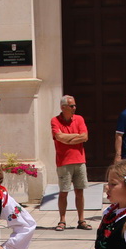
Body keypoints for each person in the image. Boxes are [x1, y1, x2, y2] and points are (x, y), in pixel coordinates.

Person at [51, 95, 90, 231]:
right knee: (64, 192)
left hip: (79, 160)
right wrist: (76, 137)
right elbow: (58, 137)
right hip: (64, 161)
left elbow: (85, 136)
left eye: (74, 105)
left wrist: (68, 139)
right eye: (71, 106)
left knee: (80, 191)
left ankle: (81, 220)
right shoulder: (55, 121)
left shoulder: (79, 119)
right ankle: (62, 220)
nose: (74, 108)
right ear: (63, 107)